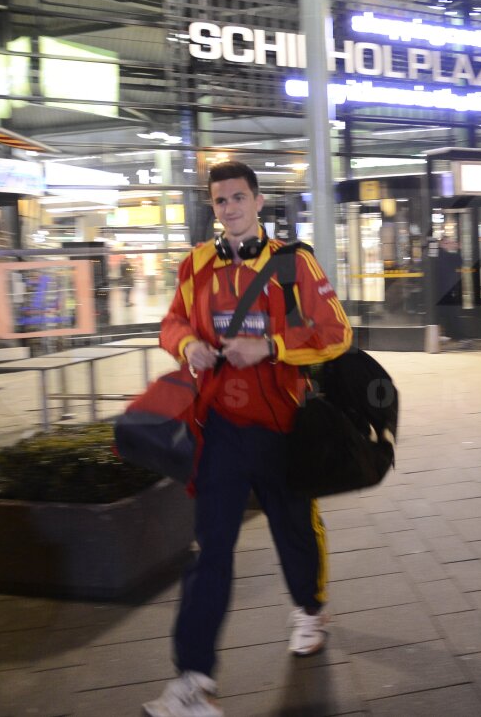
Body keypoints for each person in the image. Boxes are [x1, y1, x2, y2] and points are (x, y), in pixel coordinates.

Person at [143, 160, 352, 717]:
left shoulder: (293, 263)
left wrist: (274, 348)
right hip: (221, 431)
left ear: (259, 202)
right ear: (213, 208)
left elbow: (336, 332)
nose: (230, 208)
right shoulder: (197, 264)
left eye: (239, 197)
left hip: (284, 426)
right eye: (220, 201)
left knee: (294, 526)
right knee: (211, 550)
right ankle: (193, 679)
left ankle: (310, 608)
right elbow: (171, 323)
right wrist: (186, 345)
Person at [435, 235, 465, 344]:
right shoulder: (446, 256)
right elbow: (459, 260)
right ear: (442, 244)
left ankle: (447, 334)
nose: (449, 245)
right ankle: (458, 336)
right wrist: (458, 249)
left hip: (441, 290)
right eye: (447, 243)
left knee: (446, 314)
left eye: (450, 243)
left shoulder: (439, 256)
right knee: (452, 314)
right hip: (447, 290)